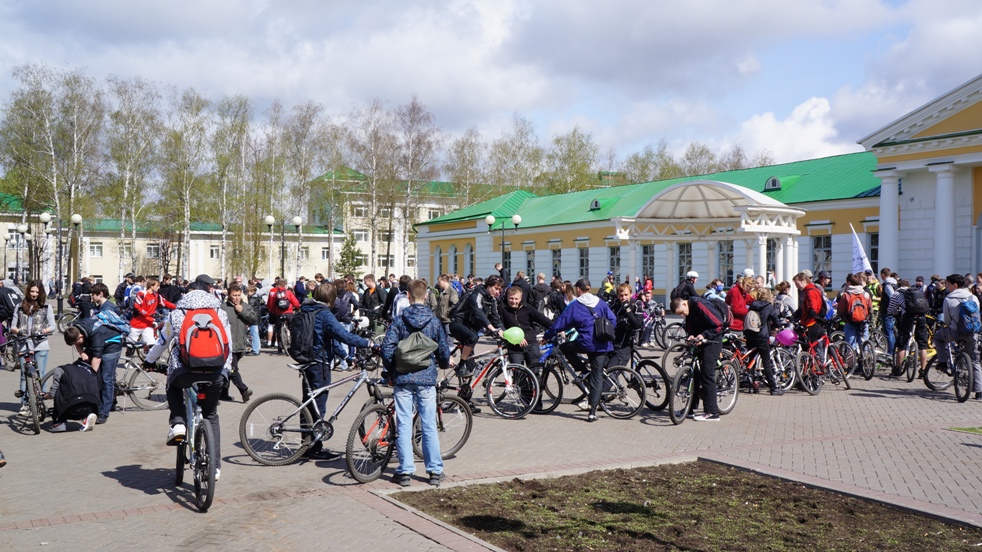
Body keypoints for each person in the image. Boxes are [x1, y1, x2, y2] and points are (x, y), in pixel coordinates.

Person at [144, 274, 230, 480]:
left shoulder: (177, 312)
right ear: (208, 291)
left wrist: (149, 360)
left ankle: (179, 423)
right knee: (211, 414)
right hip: (216, 371)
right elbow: (228, 343)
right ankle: (215, 467)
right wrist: (226, 370)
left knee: (172, 385)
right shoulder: (220, 312)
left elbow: (162, 341)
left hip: (184, 370)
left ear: (188, 293)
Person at [381, 278, 450, 487]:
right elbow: (443, 350)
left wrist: (391, 370)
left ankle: (405, 471)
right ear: (426, 296)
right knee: (428, 424)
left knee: (404, 423)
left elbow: (387, 348)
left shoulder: (400, 320)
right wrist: (443, 364)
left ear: (408, 296)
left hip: (403, 378)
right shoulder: (434, 321)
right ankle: (435, 471)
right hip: (426, 377)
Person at [299, 282, 373, 460]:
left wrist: (345, 356)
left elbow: (330, 340)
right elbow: (344, 335)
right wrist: (368, 343)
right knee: (318, 406)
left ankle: (306, 445)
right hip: (320, 364)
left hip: (307, 360)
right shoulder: (325, 315)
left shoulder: (307, 309)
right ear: (331, 300)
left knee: (308, 405)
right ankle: (313, 449)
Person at [542, 279, 616, 422]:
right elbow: (613, 320)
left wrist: (546, 336)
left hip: (586, 343)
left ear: (578, 289)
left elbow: (560, 323)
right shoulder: (601, 302)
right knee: (597, 376)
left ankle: (583, 370)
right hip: (603, 344)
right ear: (589, 288)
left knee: (564, 347)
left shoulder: (575, 305)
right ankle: (593, 411)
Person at [449, 274, 506, 413]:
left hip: (470, 330)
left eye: (500, 290)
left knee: (471, 368)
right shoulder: (477, 295)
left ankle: (465, 402)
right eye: (496, 288)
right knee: (473, 337)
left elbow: (496, 318)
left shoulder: (491, 299)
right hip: (458, 324)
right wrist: (492, 329)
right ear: (488, 286)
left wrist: (502, 331)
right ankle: (461, 364)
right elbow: (478, 313)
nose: (498, 292)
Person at [669, 293, 727, 421]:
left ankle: (712, 412)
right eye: (680, 315)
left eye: (682, 312)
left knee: (707, 374)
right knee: (694, 374)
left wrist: (704, 335)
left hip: (712, 341)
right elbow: (692, 327)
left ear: (685, 304)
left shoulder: (700, 304)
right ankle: (690, 408)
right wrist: (691, 335)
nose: (682, 315)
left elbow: (718, 324)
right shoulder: (689, 312)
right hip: (700, 342)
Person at [10, 281, 55, 416]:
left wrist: (44, 330)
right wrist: (18, 331)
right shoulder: (19, 306)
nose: (34, 294)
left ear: (40, 293)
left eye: (37, 292)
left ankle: (40, 403)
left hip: (40, 345)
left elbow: (53, 326)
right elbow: (13, 326)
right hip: (24, 344)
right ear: (28, 291)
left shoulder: (46, 306)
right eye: (32, 291)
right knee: (24, 376)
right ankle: (24, 404)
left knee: (40, 375)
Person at [934, 274, 982, 399]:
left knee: (938, 337)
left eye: (948, 285)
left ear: (955, 285)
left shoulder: (949, 298)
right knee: (975, 360)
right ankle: (979, 392)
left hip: (955, 332)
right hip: (971, 332)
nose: (947, 287)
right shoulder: (973, 297)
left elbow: (947, 320)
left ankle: (943, 362)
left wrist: (950, 325)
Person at [89, 283, 128, 424]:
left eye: (93, 294)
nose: (91, 297)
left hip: (111, 346)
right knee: (107, 377)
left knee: (107, 378)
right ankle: (111, 401)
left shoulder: (108, 309)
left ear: (100, 294)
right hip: (105, 345)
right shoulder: (100, 307)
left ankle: (104, 412)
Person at [51, 329, 102, 432]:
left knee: (59, 391)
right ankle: (87, 417)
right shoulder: (88, 373)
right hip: (92, 404)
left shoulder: (60, 370)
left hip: (72, 408)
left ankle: (60, 422)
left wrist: (46, 396)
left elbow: (52, 394)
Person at [499, 286, 552, 374]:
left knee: (534, 373)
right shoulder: (502, 308)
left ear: (521, 298)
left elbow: (543, 320)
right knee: (518, 374)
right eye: (511, 298)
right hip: (514, 346)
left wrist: (558, 328)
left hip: (530, 343)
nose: (513, 301)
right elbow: (501, 326)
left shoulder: (527, 307)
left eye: (516, 299)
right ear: (507, 297)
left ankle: (535, 383)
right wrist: (517, 338)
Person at [219, 283, 255, 402]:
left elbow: (254, 319)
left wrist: (242, 311)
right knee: (232, 369)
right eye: (234, 295)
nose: (237, 298)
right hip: (228, 345)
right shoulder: (223, 308)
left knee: (229, 369)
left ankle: (223, 393)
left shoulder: (245, 306)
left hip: (241, 344)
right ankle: (243, 390)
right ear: (229, 296)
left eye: (239, 295)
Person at [745, 287, 783, 395]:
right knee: (766, 362)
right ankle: (773, 388)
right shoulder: (769, 306)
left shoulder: (752, 305)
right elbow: (775, 320)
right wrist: (778, 326)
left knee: (751, 361)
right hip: (762, 336)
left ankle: (751, 386)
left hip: (750, 335)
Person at [890, 279, 929, 377]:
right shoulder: (917, 292)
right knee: (922, 345)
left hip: (908, 318)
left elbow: (891, 309)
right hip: (921, 317)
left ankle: (897, 368)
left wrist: (894, 313)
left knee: (902, 343)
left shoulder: (896, 293)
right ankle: (923, 371)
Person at [128, 277, 176, 348]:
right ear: (151, 286)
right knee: (131, 343)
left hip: (148, 323)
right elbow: (137, 306)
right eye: (157, 286)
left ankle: (149, 354)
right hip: (137, 323)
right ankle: (128, 354)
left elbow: (165, 302)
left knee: (151, 343)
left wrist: (177, 307)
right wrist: (146, 314)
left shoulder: (156, 295)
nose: (159, 288)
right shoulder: (142, 294)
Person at [609, 284, 643, 370]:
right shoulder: (614, 304)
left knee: (611, 371)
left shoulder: (636, 304)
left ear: (631, 294)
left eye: (626, 295)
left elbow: (637, 325)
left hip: (626, 344)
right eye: (621, 295)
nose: (623, 298)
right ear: (617, 295)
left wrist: (628, 310)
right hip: (612, 342)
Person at [837, 273, 872, 350]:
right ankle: (866, 355)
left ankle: (852, 356)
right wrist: (868, 318)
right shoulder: (865, 294)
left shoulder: (846, 295)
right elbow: (870, 308)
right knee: (864, 343)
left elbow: (840, 310)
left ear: (848, 282)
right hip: (863, 322)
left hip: (850, 322)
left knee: (850, 346)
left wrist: (843, 318)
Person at [332, 280, 361, 371]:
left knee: (333, 342)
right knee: (344, 342)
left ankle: (331, 364)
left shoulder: (333, 295)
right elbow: (357, 304)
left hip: (335, 320)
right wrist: (353, 312)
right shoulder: (349, 294)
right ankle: (344, 364)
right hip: (346, 320)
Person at [266, 278, 300, 353]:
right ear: (284, 285)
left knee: (278, 330)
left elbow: (272, 304)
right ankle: (293, 345)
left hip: (279, 313)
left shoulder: (275, 294)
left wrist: (273, 311)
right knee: (292, 328)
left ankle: (280, 348)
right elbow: (295, 302)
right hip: (289, 313)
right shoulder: (288, 292)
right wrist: (297, 307)